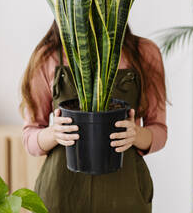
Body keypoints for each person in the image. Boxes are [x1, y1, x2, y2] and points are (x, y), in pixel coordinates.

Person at [19, 20, 168, 213]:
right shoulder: (49, 56)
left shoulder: (144, 53)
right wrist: (54, 134)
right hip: (61, 193)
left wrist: (135, 134)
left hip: (125, 193)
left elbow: (159, 130)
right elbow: (29, 135)